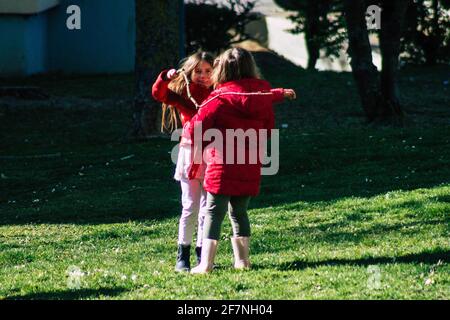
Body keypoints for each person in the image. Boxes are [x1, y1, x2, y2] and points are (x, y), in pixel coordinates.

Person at [186, 47, 297, 274]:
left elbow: (195, 129)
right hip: (250, 162)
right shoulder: (263, 96)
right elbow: (267, 129)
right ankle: (243, 262)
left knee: (213, 212)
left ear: (222, 69)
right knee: (239, 212)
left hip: (222, 164)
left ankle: (205, 264)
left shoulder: (218, 98)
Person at [152, 52, 215, 272]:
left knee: (208, 209)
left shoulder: (218, 92)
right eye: (198, 71)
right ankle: (183, 254)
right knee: (190, 206)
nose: (203, 76)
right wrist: (166, 77)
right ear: (189, 72)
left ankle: (203, 254)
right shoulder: (183, 94)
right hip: (190, 154)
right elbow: (159, 94)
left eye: (208, 71)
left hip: (215, 155)